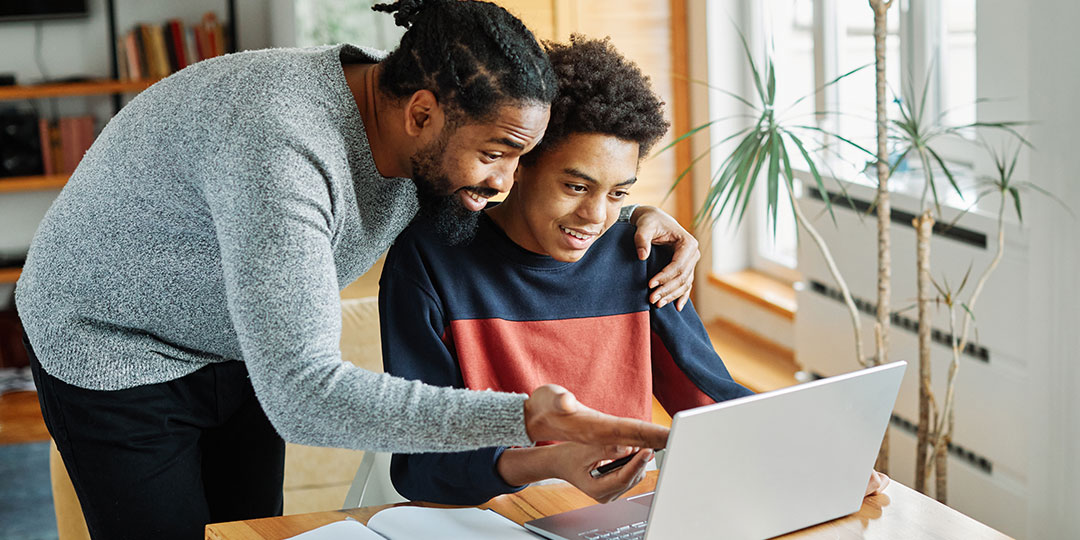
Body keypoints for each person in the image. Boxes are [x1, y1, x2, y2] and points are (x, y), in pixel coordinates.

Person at [14, 2, 696, 538]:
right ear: (421, 113)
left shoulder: (431, 110)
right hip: (114, 342)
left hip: (239, 338)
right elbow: (304, 395)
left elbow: (550, 197)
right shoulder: (283, 150)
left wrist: (637, 223)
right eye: (498, 155)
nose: (506, 181)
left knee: (246, 533)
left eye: (522, 157)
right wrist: (523, 418)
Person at [380, 36, 890, 506]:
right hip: (488, 516)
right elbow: (422, 466)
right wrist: (549, 462)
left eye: (619, 194)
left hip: (615, 519)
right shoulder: (430, 261)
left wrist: (815, 457)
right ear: (521, 161)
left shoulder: (642, 253)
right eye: (576, 187)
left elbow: (709, 399)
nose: (597, 217)